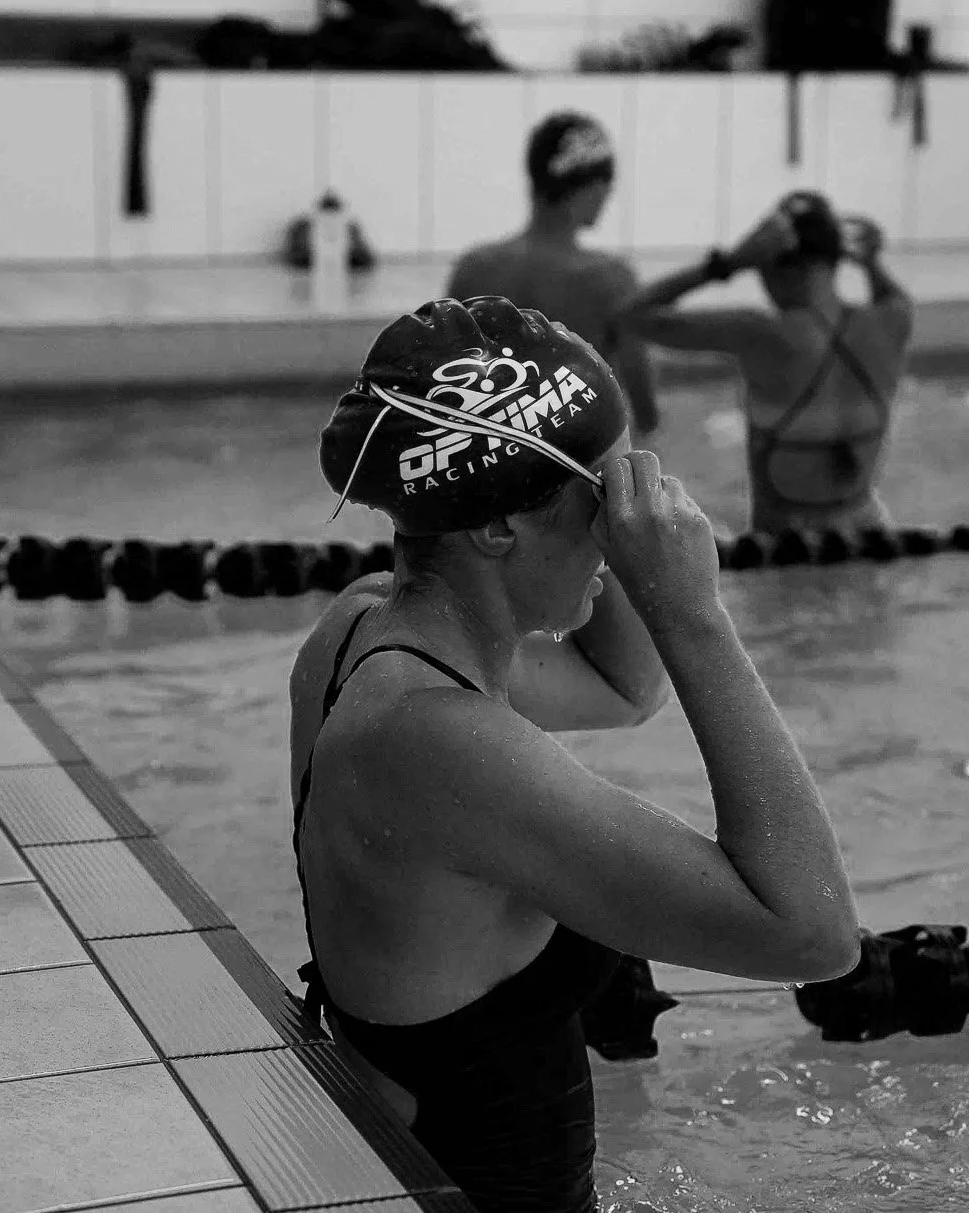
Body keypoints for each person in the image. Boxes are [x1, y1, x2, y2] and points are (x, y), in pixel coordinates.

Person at [294, 296, 861, 1213]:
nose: (625, 522)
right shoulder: (444, 745)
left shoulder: (361, 628)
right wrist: (694, 615)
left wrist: (634, 529)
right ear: (496, 526)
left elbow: (625, 688)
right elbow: (814, 933)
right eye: (601, 497)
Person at [617, 192, 913, 536]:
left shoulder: (762, 333)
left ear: (774, 267)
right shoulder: (893, 321)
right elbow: (892, 295)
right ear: (837, 260)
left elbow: (629, 316)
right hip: (872, 535)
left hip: (784, 553)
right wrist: (872, 263)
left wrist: (728, 264)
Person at [446, 111, 662, 434]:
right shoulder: (612, 280)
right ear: (592, 185)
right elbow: (646, 415)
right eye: (607, 182)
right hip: (577, 465)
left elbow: (444, 391)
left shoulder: (473, 270)